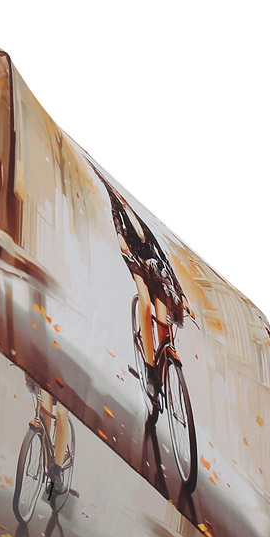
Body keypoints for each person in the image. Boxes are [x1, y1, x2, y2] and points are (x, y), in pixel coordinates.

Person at [94, 166, 189, 399]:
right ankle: (150, 369)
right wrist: (121, 241)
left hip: (154, 268)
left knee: (163, 322)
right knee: (145, 304)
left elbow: (162, 257)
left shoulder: (144, 216)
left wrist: (181, 294)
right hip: (135, 260)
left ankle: (165, 362)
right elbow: (117, 223)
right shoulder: (117, 202)